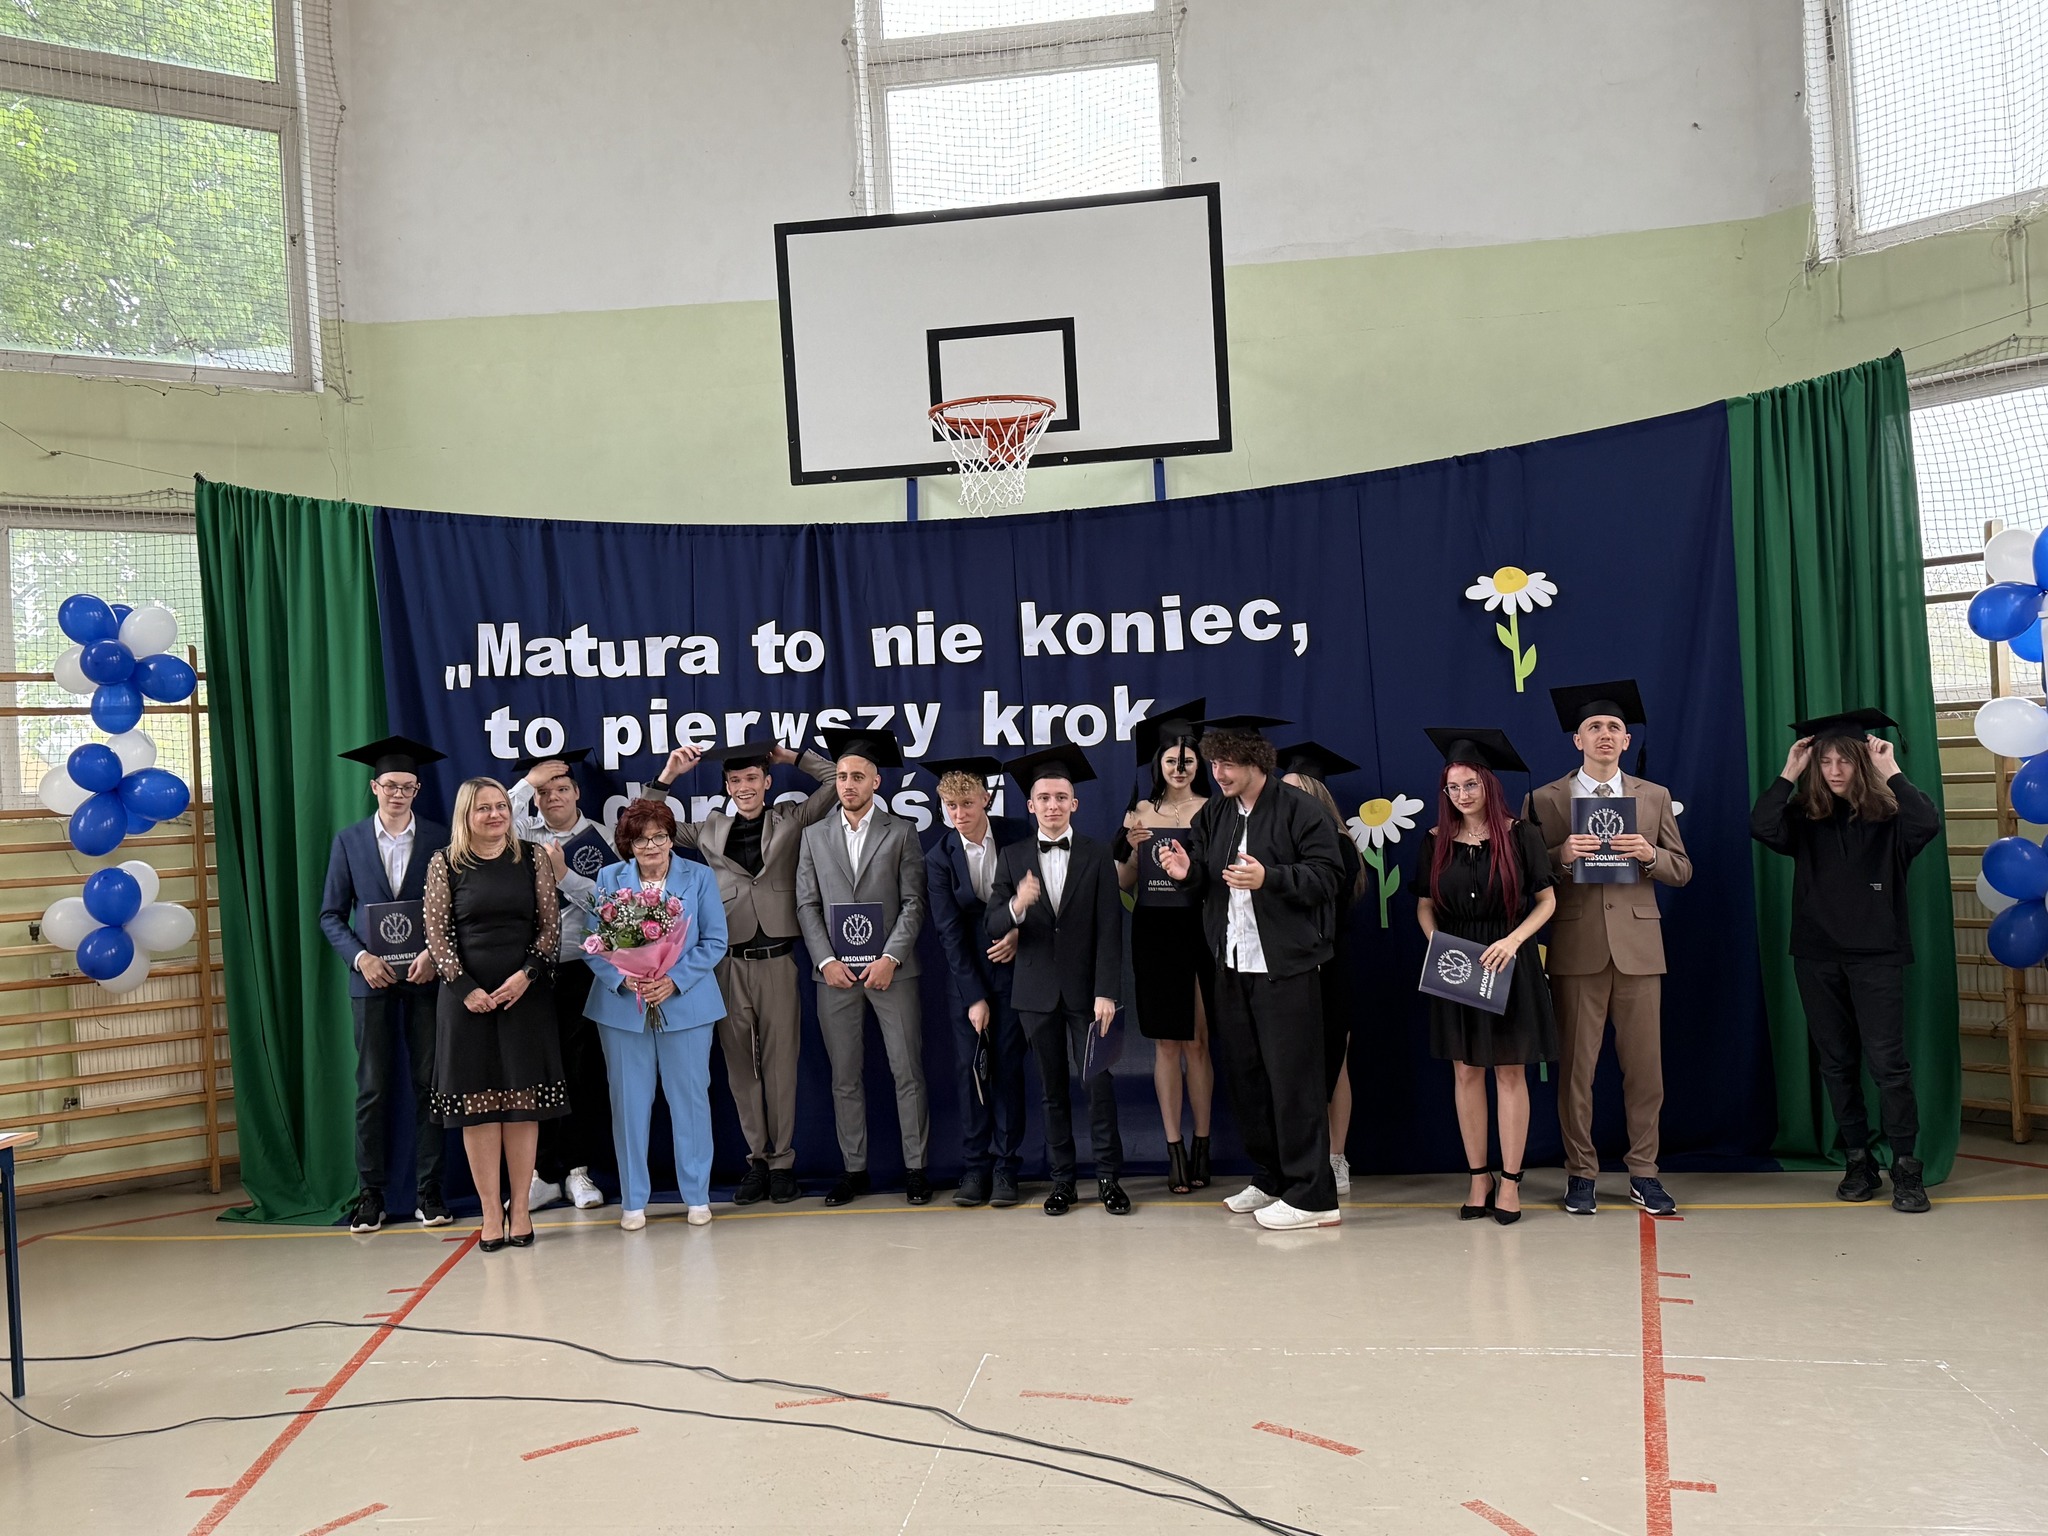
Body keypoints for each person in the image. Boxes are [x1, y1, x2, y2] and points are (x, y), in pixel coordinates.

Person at [1158, 715, 1347, 1232]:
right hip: (1232, 963)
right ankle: (1271, 1178)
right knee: (1248, 1079)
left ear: (1257, 760)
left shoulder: (1301, 810)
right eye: (1215, 763)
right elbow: (1204, 873)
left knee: (1294, 1083)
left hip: (1287, 967)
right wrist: (1187, 873)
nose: (1218, 773)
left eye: (1229, 764)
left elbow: (1330, 877)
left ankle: (1313, 1197)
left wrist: (1270, 878)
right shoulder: (1216, 813)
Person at [1750, 709, 1942, 1214]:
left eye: (1844, 760)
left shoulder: (1893, 818)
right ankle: (1858, 1161)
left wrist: (1890, 769)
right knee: (1836, 1063)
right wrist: (1789, 771)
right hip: (1817, 955)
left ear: (1862, 762)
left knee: (1888, 1065)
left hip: (1878, 957)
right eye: (1825, 761)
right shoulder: (1803, 818)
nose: (1834, 770)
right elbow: (1761, 825)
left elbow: (1928, 822)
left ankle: (1906, 1168)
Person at [641, 736, 837, 1205]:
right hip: (726, 963)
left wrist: (792, 757)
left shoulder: (791, 818)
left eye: (752, 778)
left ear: (767, 782)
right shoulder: (710, 829)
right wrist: (668, 775)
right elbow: (644, 824)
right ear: (726, 786)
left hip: (778, 961)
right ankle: (757, 1161)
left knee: (781, 1065)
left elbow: (835, 781)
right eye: (735, 780)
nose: (744, 786)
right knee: (740, 1067)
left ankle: (783, 1162)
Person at [1523, 681, 1691, 1218]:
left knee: (1646, 1069)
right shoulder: (1543, 799)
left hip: (1639, 948)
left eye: (1614, 727)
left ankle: (1644, 1172)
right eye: (1593, 727)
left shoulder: (1653, 796)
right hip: (1576, 948)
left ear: (1626, 740)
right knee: (1577, 1070)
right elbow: (1526, 876)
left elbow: (1682, 870)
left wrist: (1649, 854)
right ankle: (1581, 1173)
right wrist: (1558, 854)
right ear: (1577, 740)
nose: (1604, 734)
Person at [1414, 729, 1558, 1226]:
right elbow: (1425, 905)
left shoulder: (1521, 834)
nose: (1462, 795)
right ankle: (1479, 1177)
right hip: (1457, 962)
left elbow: (1547, 901)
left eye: (1470, 784)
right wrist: (1437, 942)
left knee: (1510, 1071)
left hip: (1508, 960)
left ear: (1488, 785)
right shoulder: (1434, 840)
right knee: (1465, 1071)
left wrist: (1514, 941)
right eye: (1453, 787)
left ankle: (1511, 1180)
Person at [421, 777, 567, 1251]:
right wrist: (465, 989)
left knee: (523, 1108)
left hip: (525, 997)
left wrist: (527, 976)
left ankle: (520, 1209)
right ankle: (490, 1213)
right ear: (466, 815)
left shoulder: (534, 858)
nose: (495, 814)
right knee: (479, 1112)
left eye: (501, 805)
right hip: (466, 1003)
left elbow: (549, 928)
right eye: (483, 808)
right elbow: (437, 935)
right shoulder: (445, 863)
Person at [986, 745, 1131, 1217]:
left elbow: (1110, 928)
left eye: (1061, 797)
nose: (1053, 805)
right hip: (1034, 993)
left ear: (1075, 803)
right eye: (1044, 798)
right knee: (1052, 1092)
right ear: (1031, 805)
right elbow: (992, 922)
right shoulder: (1012, 857)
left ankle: (1108, 1178)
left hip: (1089, 994)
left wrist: (1107, 991)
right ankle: (1063, 1181)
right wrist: (1017, 905)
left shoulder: (1097, 853)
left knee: (1098, 1085)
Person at [319, 735, 451, 1234]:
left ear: (418, 790)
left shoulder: (440, 838)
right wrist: (361, 959)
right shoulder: (349, 841)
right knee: (372, 1087)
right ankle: (370, 1195)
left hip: (425, 977)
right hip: (370, 979)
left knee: (430, 1084)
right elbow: (331, 915)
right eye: (391, 785)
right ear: (375, 787)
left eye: (408, 787)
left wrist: (435, 955)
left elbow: (454, 908)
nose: (399, 794)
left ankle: (429, 1191)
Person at [794, 729, 932, 1207]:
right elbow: (806, 904)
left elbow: (914, 902)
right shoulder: (813, 836)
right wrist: (825, 960)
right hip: (834, 976)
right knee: (844, 1077)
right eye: (842, 777)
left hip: (892, 973)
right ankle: (854, 1170)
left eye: (857, 776)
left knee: (907, 1071)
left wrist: (891, 957)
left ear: (876, 781)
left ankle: (917, 1169)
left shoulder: (902, 832)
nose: (848, 784)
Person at [583, 798, 731, 1230]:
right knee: (628, 1106)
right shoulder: (609, 877)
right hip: (622, 1010)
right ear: (627, 844)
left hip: (686, 1006)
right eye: (641, 839)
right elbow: (593, 944)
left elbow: (715, 941)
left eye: (659, 837)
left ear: (671, 838)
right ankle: (633, 1201)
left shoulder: (698, 876)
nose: (651, 846)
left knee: (691, 1102)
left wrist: (674, 980)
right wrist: (623, 978)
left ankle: (697, 1196)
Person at [922, 756, 1033, 1208]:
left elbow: (1041, 895)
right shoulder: (938, 857)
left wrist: (1019, 932)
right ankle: (975, 1166)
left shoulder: (1017, 834)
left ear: (985, 799)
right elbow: (948, 933)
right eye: (950, 806)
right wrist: (973, 997)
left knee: (1007, 1068)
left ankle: (1007, 1166)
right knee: (971, 1073)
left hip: (1017, 968)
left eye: (967, 803)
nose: (959, 813)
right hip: (967, 973)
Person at [1116, 701, 1217, 1197]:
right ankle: (1173, 1146)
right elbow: (1123, 881)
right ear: (1158, 762)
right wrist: (1130, 848)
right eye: (1171, 760)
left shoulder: (1214, 809)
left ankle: (1202, 1144)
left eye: (1188, 760)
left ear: (1199, 763)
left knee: (1198, 1040)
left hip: (1200, 928)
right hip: (1154, 931)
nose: (1179, 768)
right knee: (1165, 1043)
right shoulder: (1139, 811)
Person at [509, 747, 614, 1213]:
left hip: (581, 969)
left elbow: (612, 908)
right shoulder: (520, 835)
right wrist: (526, 782)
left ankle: (577, 1171)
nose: (553, 797)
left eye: (561, 788)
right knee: (533, 1073)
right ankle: (539, 1174)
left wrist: (565, 875)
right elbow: (484, 819)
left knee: (579, 1073)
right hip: (529, 972)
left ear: (577, 793)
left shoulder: (601, 838)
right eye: (544, 791)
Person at [1277, 743, 1369, 1198]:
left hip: (1330, 964)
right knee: (1293, 1066)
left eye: (1295, 791)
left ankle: (1336, 1157)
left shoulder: (1339, 846)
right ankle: (1299, 1159)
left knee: (1335, 1063)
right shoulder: (1274, 844)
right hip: (1286, 967)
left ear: (1315, 795)